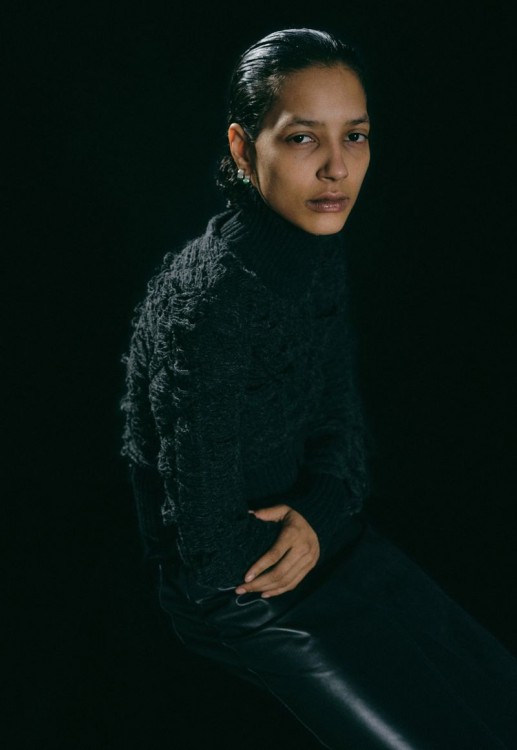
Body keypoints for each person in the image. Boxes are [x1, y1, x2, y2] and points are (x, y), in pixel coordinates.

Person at [121, 28, 517, 749]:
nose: (337, 168)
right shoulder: (209, 303)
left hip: (326, 538)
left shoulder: (315, 253)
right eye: (304, 138)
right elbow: (208, 547)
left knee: (497, 700)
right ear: (244, 150)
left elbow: (341, 429)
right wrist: (307, 529)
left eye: (354, 136)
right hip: (242, 592)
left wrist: (317, 515)